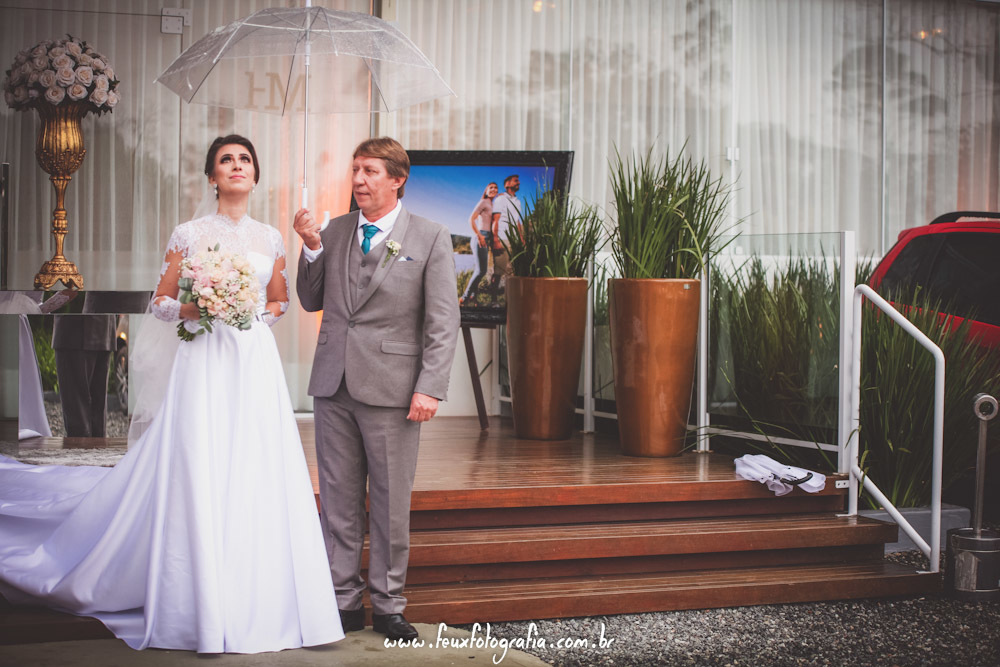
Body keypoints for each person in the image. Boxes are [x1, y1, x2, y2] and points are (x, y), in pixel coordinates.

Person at [0, 135, 344, 653]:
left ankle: (254, 586)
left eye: (245, 160)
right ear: (212, 177)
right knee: (198, 456)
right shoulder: (189, 233)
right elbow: (160, 302)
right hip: (202, 357)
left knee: (255, 457)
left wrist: (254, 315)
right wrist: (195, 308)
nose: (236, 166)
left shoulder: (271, 237)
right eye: (226, 160)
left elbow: (279, 301)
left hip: (252, 360)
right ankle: (196, 590)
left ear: (255, 176)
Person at [294, 137, 459, 642]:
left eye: (369, 171)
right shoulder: (335, 230)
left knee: (389, 502)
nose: (359, 180)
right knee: (338, 500)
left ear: (397, 179)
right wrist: (311, 247)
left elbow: (442, 321)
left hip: (395, 390)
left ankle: (388, 605)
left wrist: (430, 386)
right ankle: (342, 601)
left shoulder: (430, 237)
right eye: (355, 170)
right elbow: (310, 299)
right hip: (333, 384)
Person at [461, 182, 498, 305]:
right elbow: (471, 219)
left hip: (487, 238)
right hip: (481, 236)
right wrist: (479, 235)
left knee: (480, 270)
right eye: (491, 187)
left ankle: (473, 297)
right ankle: (464, 298)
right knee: (481, 271)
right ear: (486, 191)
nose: (493, 189)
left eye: (496, 188)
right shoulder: (484, 202)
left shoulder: (492, 204)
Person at [489, 174, 522, 304]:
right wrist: (495, 240)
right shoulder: (500, 199)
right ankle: (493, 300)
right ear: (507, 184)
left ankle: (511, 300)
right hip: (502, 238)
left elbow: (517, 221)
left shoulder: (518, 202)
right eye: (515, 181)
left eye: (518, 181)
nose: (518, 182)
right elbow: (495, 220)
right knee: (498, 271)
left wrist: (521, 238)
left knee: (513, 271)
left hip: (514, 240)